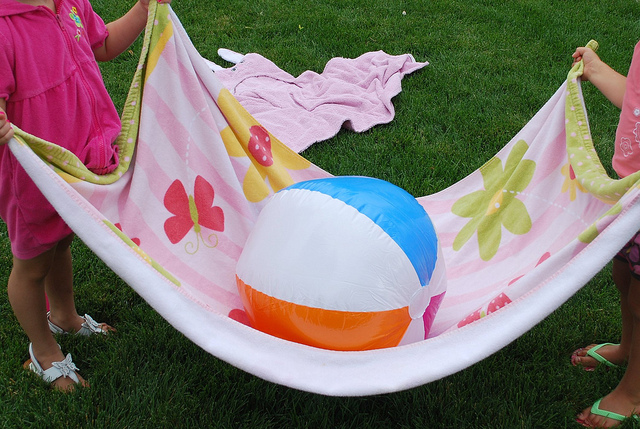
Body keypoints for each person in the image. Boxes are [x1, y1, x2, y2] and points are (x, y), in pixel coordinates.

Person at [0, 0, 170, 391]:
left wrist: (143, 9)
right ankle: (44, 352)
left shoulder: (68, 3)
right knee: (32, 265)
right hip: (32, 175)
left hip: (75, 162)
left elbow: (103, 44)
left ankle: (64, 317)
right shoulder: (4, 28)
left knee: (60, 241)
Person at [570, 43, 640, 427]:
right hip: (629, 195)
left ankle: (633, 392)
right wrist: (596, 71)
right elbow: (635, 99)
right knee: (623, 274)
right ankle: (627, 348)